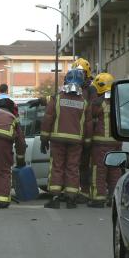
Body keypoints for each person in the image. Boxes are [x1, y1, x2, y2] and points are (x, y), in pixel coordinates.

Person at [40, 68, 92, 209]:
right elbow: (88, 125)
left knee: (57, 167)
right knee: (73, 168)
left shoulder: (57, 98)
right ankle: (71, 199)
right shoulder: (84, 102)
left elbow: (48, 119)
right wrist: (87, 142)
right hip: (76, 141)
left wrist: (44, 139)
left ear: (66, 80)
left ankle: (55, 198)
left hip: (57, 139)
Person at [89, 73, 122, 208]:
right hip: (116, 142)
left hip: (101, 144)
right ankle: (113, 199)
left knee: (99, 171)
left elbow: (89, 116)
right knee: (115, 171)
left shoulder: (99, 102)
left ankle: (98, 199)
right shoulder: (118, 102)